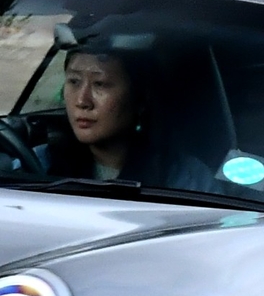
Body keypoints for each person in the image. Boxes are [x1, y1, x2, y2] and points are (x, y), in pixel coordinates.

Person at [52, 40, 232, 196]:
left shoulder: (186, 180)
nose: (82, 101)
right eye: (74, 81)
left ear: (139, 99)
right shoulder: (41, 165)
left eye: (100, 84)